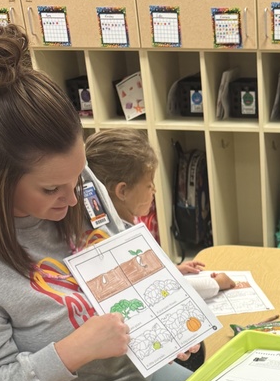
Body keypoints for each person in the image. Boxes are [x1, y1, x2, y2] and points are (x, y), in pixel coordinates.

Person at [0, 24, 194, 381]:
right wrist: (72, 351)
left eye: (77, 178)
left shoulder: (77, 181)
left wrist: (166, 314)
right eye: (51, 188)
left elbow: (122, 254)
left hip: (131, 374)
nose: (72, 199)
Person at [84, 128, 243, 301]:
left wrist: (172, 270)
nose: (155, 190)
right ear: (123, 191)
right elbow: (159, 288)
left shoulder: (105, 229)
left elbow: (143, 278)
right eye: (149, 185)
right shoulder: (117, 241)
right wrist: (217, 284)